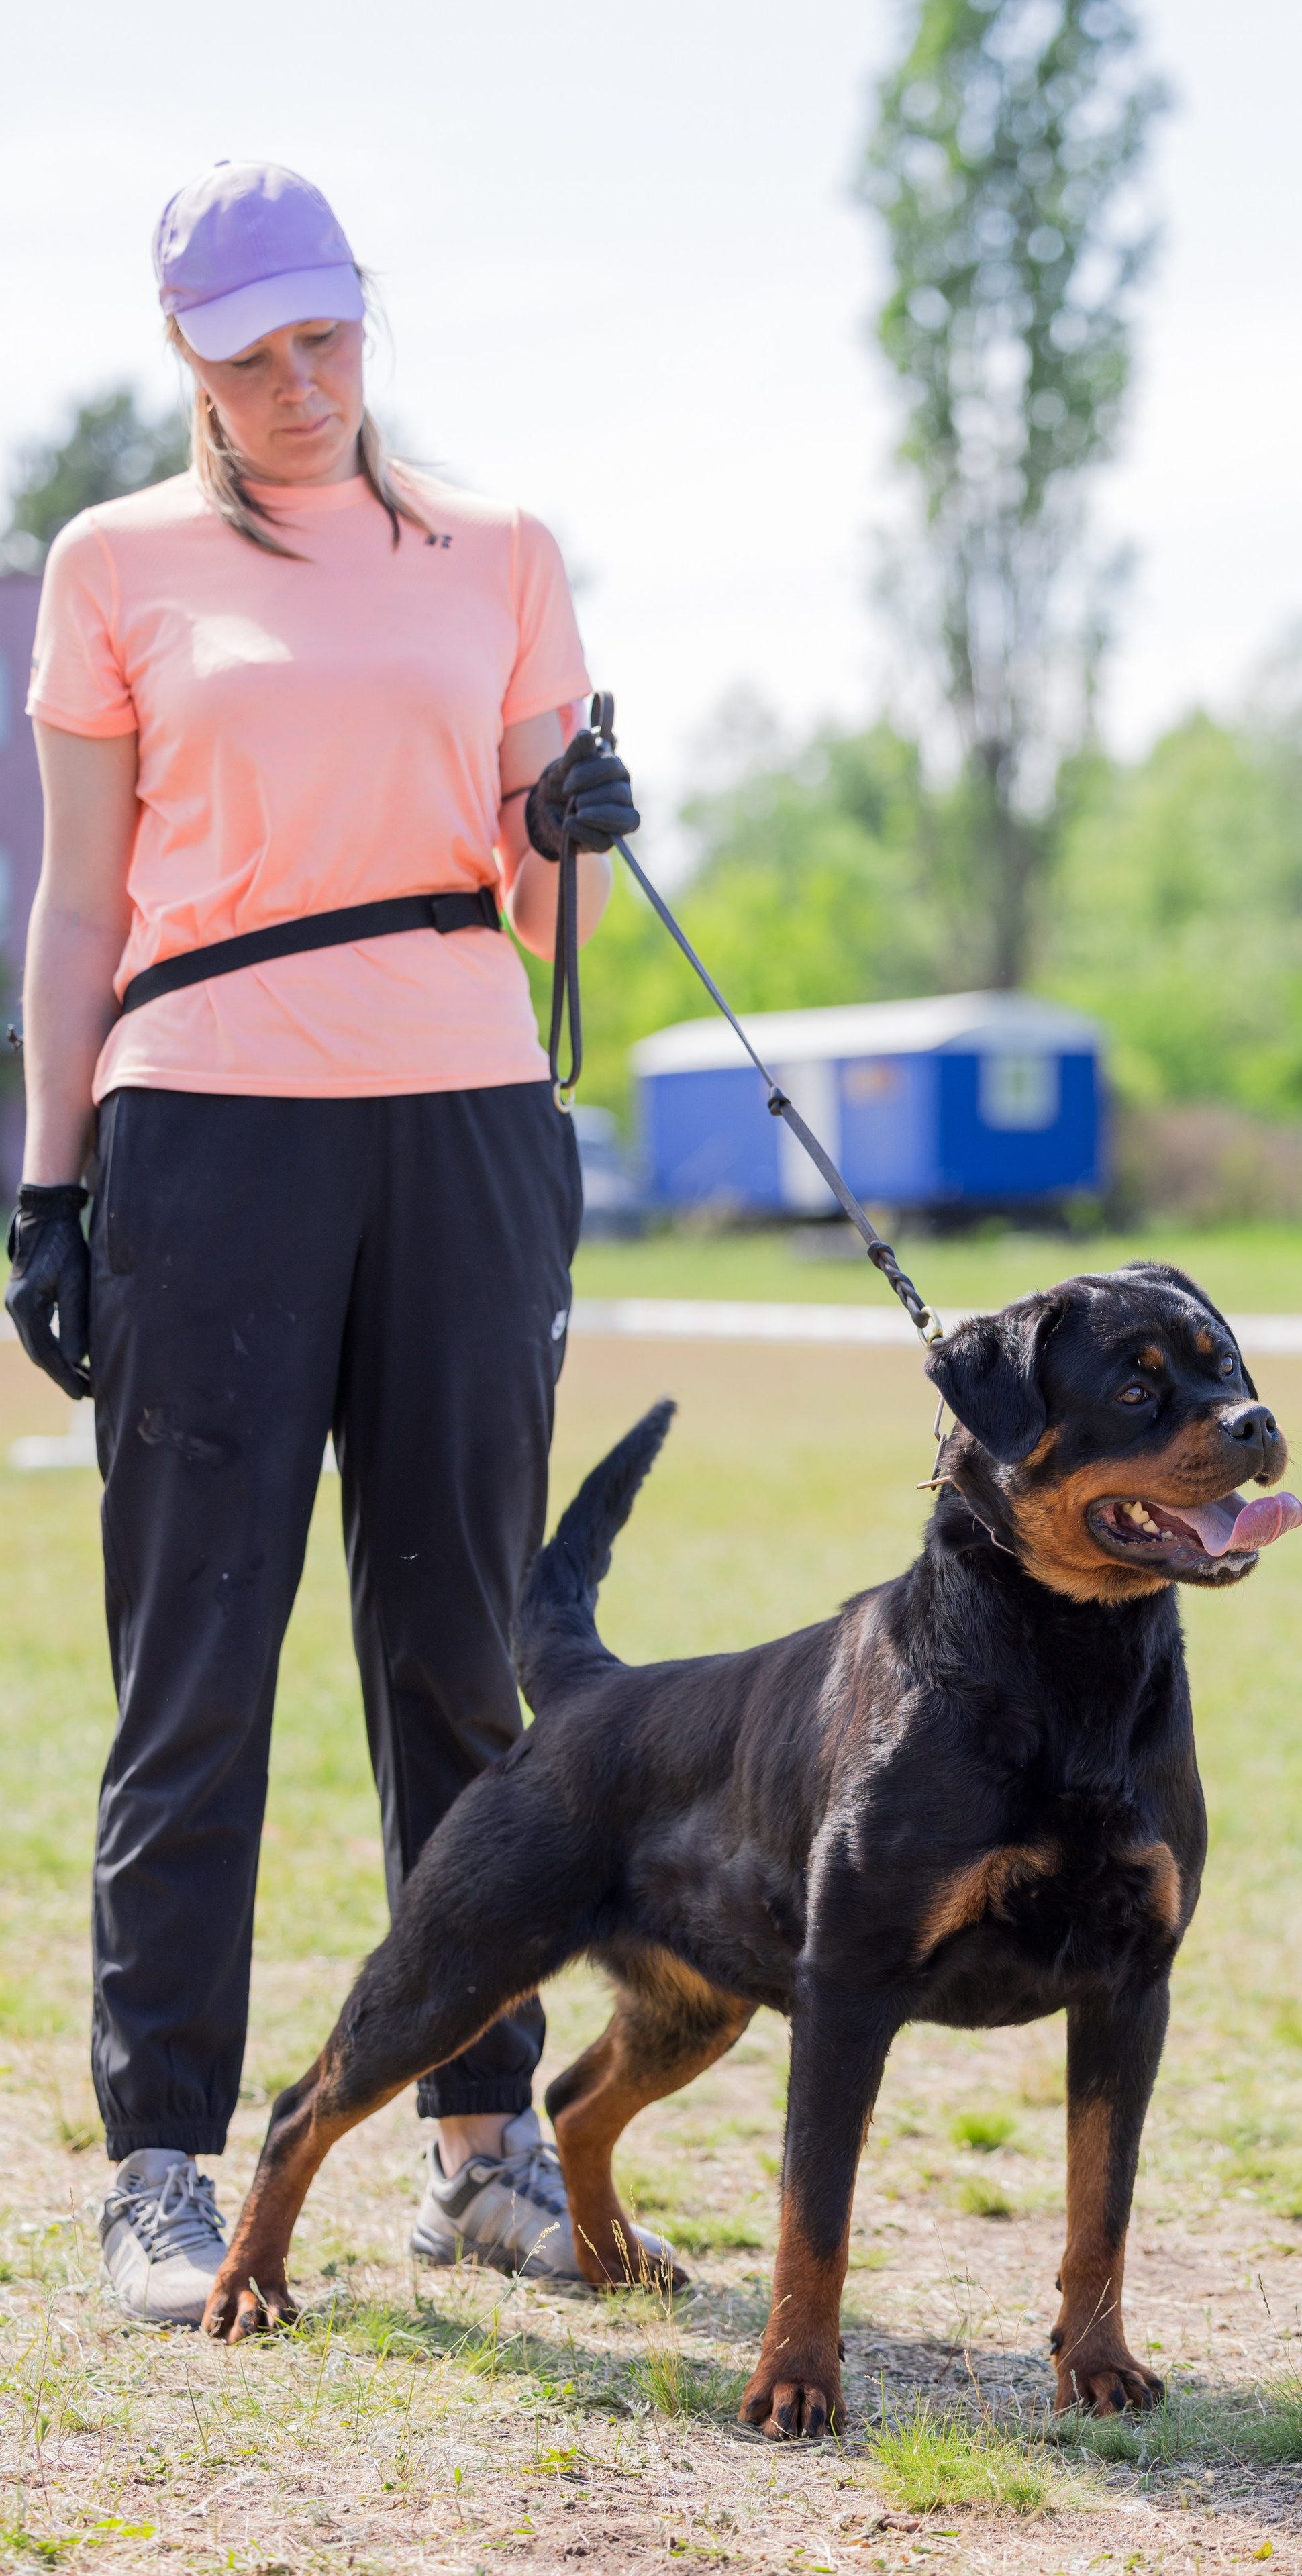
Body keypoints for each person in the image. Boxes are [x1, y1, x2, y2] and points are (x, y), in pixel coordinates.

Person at [4, 160, 654, 2324]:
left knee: (468, 1659)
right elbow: (83, 904)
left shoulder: (504, 553)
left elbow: (545, 910)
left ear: (366, 320)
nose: (301, 382)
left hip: (467, 1116)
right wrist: (47, 1176)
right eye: (254, 347)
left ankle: (480, 2135)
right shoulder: (115, 564)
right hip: (208, 1129)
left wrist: (568, 836)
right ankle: (166, 2158)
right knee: (193, 1665)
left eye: (329, 336)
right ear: (183, 350)